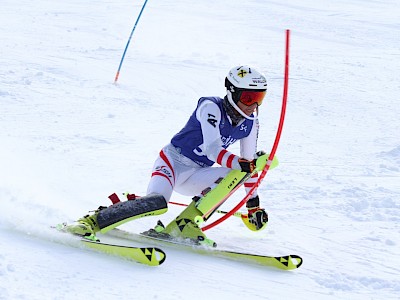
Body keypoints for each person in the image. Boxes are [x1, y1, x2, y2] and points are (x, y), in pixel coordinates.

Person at [65, 65, 269, 246]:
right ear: (232, 93)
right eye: (248, 98)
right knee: (157, 203)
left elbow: (248, 168)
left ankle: (185, 224)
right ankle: (90, 221)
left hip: (197, 173)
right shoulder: (211, 107)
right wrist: (238, 162)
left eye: (259, 98)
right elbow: (212, 150)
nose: (253, 106)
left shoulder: (250, 123)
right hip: (173, 163)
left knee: (238, 174)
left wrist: (253, 206)